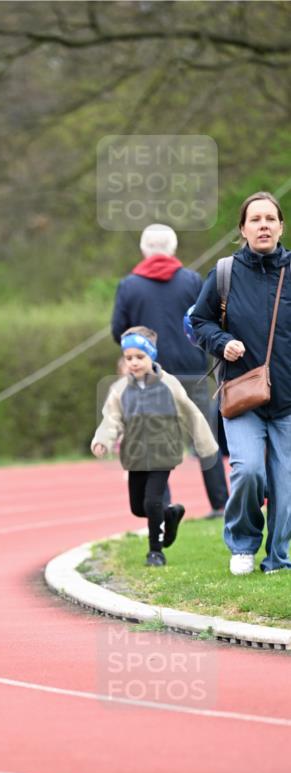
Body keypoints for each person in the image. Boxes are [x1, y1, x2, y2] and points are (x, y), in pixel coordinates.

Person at [192, 191, 290, 575]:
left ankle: (278, 557)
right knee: (248, 471)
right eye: (255, 220)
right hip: (242, 396)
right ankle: (243, 544)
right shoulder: (224, 273)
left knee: (285, 483)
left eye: (270, 219)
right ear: (243, 229)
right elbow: (199, 321)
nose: (263, 226)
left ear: (281, 227)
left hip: (288, 401)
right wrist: (222, 342)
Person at [112, 223, 229, 517]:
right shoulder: (192, 281)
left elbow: (118, 331)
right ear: (173, 248)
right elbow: (208, 321)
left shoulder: (129, 286)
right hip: (193, 370)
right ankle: (220, 503)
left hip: (151, 375)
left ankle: (161, 504)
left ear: (143, 249)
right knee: (204, 436)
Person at [91, 327, 218, 567]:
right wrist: (102, 441)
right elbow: (111, 419)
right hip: (135, 456)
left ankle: (155, 552)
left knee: (152, 502)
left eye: (140, 357)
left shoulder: (169, 385)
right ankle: (170, 514)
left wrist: (205, 445)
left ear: (151, 356)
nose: (134, 362)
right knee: (139, 508)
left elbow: (191, 414)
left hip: (163, 454)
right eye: (129, 358)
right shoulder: (120, 389)